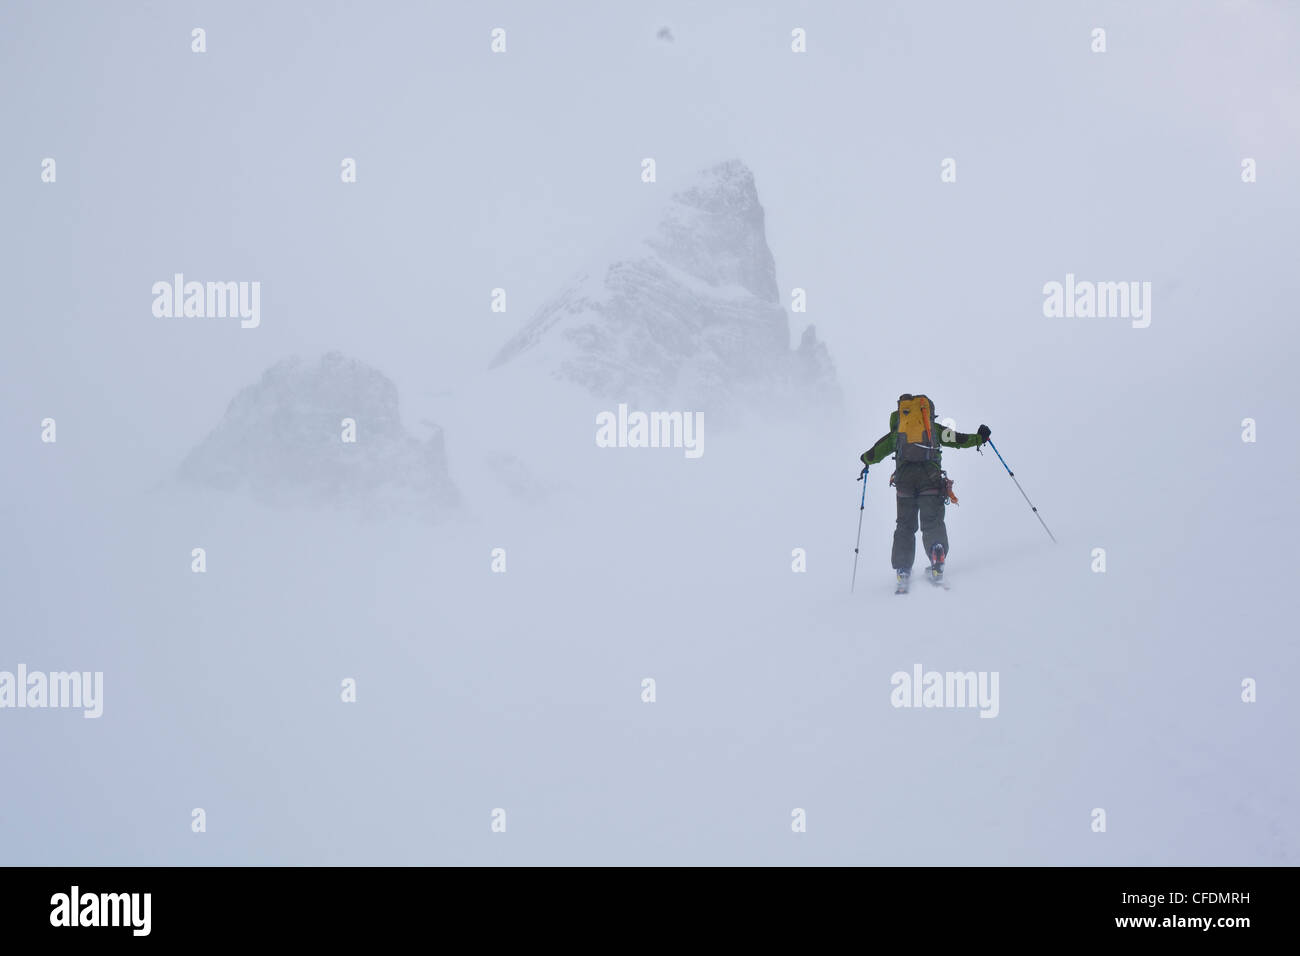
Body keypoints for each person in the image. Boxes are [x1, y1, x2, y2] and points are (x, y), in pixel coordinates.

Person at [859, 394, 990, 590]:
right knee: (932, 522)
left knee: (904, 525)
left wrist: (865, 460)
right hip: (931, 480)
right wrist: (980, 437)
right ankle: (937, 557)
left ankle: (903, 569)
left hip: (904, 483)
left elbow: (875, 453)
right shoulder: (934, 430)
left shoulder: (897, 434)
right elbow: (958, 439)